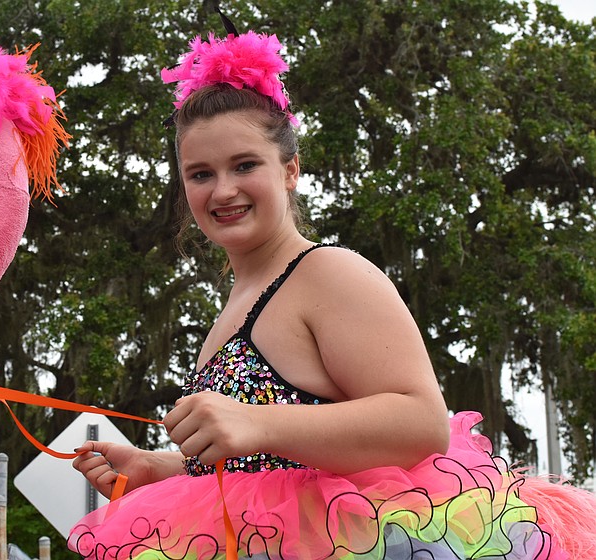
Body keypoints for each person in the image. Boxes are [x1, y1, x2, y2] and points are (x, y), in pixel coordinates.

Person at [68, 26, 596, 560]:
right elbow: (271, 466)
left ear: (290, 169)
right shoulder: (235, 305)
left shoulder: (328, 273)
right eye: (200, 173)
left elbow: (422, 424)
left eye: (245, 165)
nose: (222, 190)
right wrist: (159, 467)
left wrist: (254, 420)